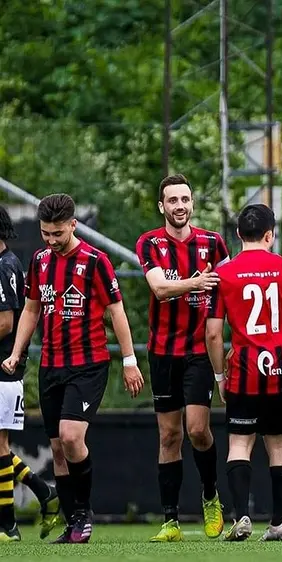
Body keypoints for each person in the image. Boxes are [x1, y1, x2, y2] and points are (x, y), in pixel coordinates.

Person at [1, 193, 144, 544]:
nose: (51, 240)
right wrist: (17, 353)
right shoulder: (39, 260)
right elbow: (32, 310)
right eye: (46, 233)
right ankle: (71, 522)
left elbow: (117, 312)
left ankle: (83, 512)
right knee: (59, 448)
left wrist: (129, 361)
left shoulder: (96, 261)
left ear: (73, 225)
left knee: (71, 437)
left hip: (88, 364)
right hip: (51, 365)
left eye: (58, 234)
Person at [206, 203, 282, 542]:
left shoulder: (224, 273)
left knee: (240, 443)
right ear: (270, 235)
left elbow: (214, 333)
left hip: (244, 368)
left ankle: (241, 518)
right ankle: (280, 523)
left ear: (237, 235)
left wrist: (219, 377)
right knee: (279, 446)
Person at [135, 174, 228, 542]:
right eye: (172, 200)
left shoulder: (212, 243)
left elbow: (228, 290)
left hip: (199, 352)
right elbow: (158, 289)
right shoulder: (150, 243)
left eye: (185, 199)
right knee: (169, 435)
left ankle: (210, 495)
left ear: (192, 204)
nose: (180, 206)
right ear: (162, 206)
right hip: (162, 353)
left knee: (197, 430)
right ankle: (170, 521)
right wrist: (194, 283)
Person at [0, 206, 60, 542]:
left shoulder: (4, 266)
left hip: (4, 366)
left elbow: (7, 322)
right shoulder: (8, 263)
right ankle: (43, 491)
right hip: (7, 366)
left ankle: (7, 525)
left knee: (0, 446)